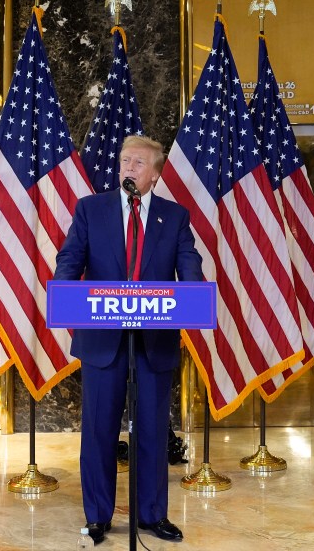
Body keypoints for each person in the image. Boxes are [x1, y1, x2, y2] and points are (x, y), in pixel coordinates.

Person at [53, 135, 203, 545]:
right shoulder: (91, 209)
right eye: (124, 161)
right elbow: (70, 258)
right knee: (99, 432)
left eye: (139, 163)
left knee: (152, 433)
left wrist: (193, 294)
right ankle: (98, 515)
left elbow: (188, 264)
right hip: (102, 341)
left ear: (155, 175)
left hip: (153, 343)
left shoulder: (174, 217)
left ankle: (152, 516)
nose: (129, 169)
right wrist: (66, 291)